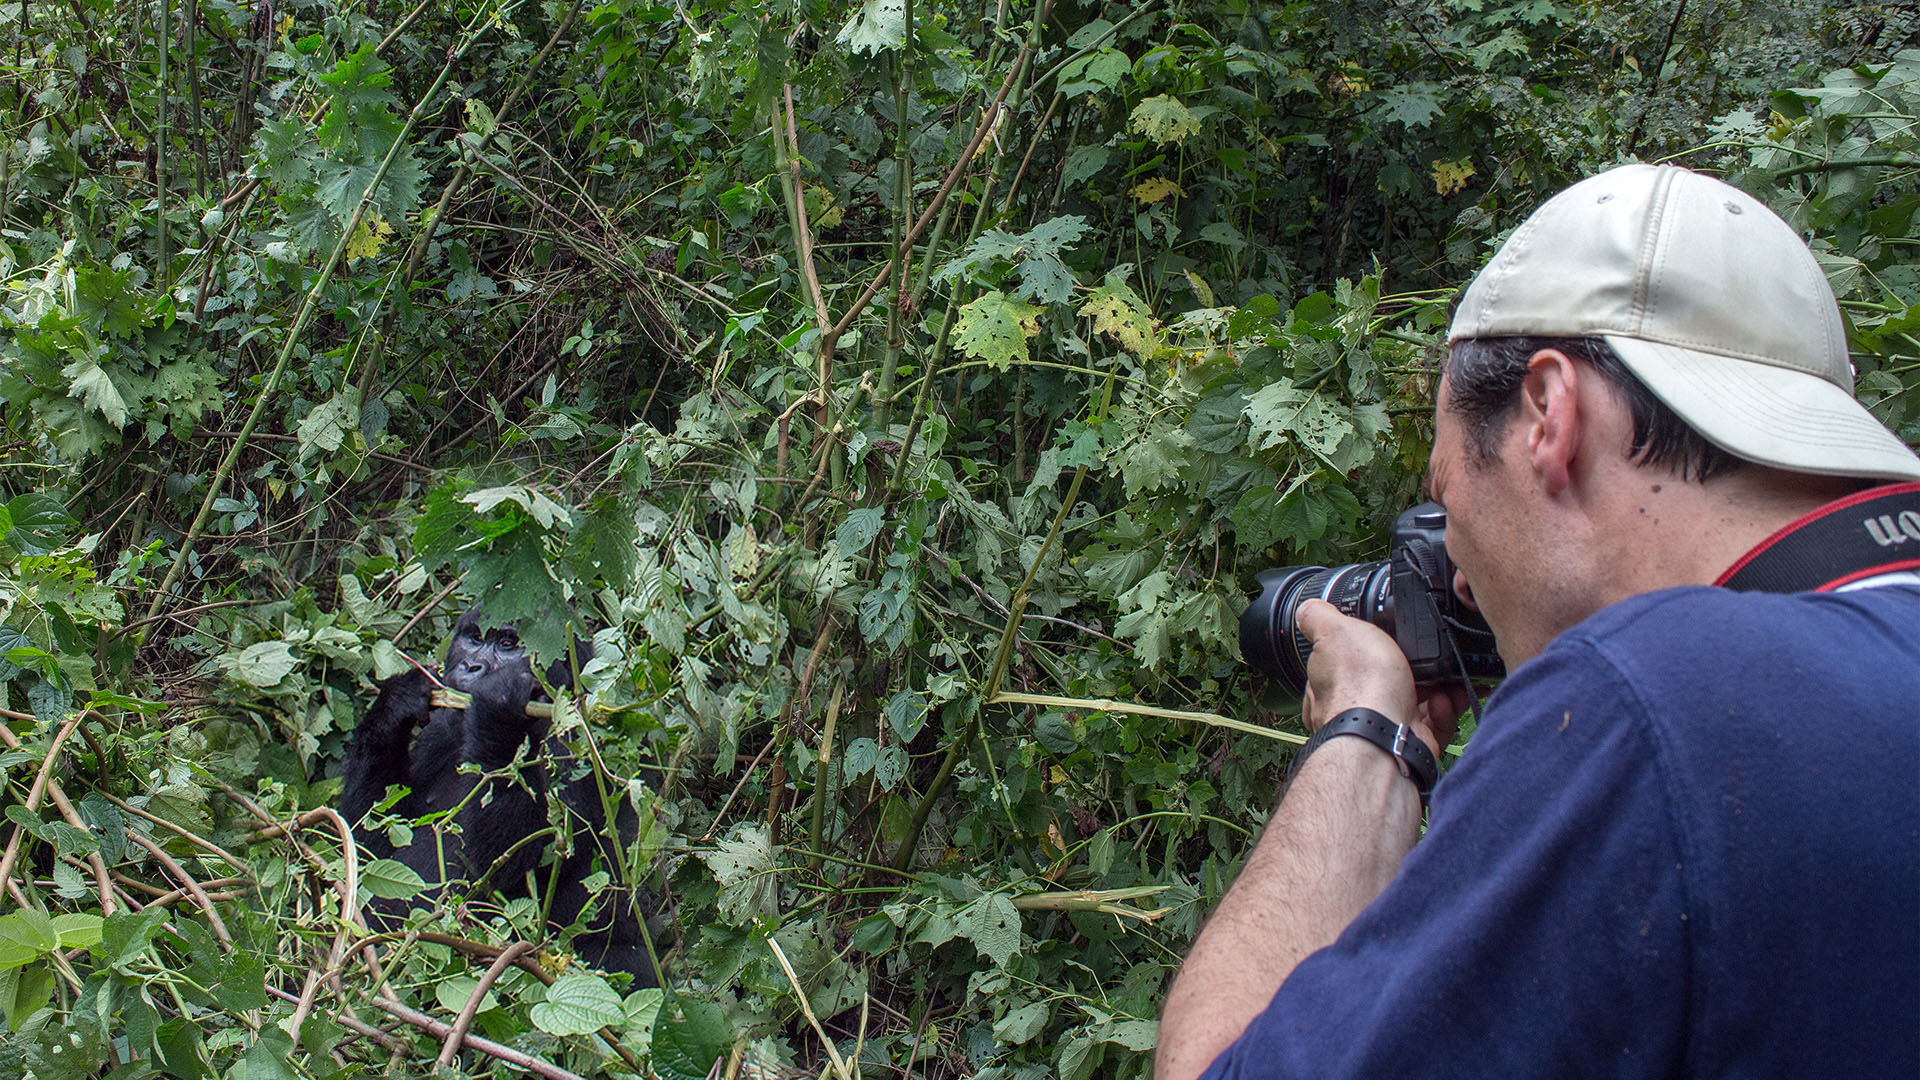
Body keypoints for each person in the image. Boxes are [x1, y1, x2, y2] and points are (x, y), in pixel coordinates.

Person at [1156, 163, 1920, 1079]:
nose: (1461, 581)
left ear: (1547, 417)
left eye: (1448, 502)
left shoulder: (1653, 708)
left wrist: (1367, 730)